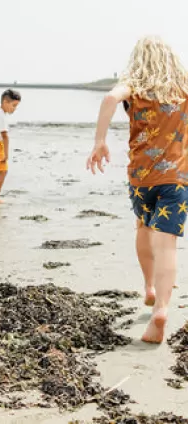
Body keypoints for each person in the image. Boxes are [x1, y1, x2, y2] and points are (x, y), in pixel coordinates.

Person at [87, 36, 188, 344]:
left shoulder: (134, 87)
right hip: (177, 180)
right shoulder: (183, 89)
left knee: (143, 226)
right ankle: (161, 309)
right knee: (166, 243)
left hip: (141, 179)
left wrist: (100, 142)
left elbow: (108, 100)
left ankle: (149, 287)